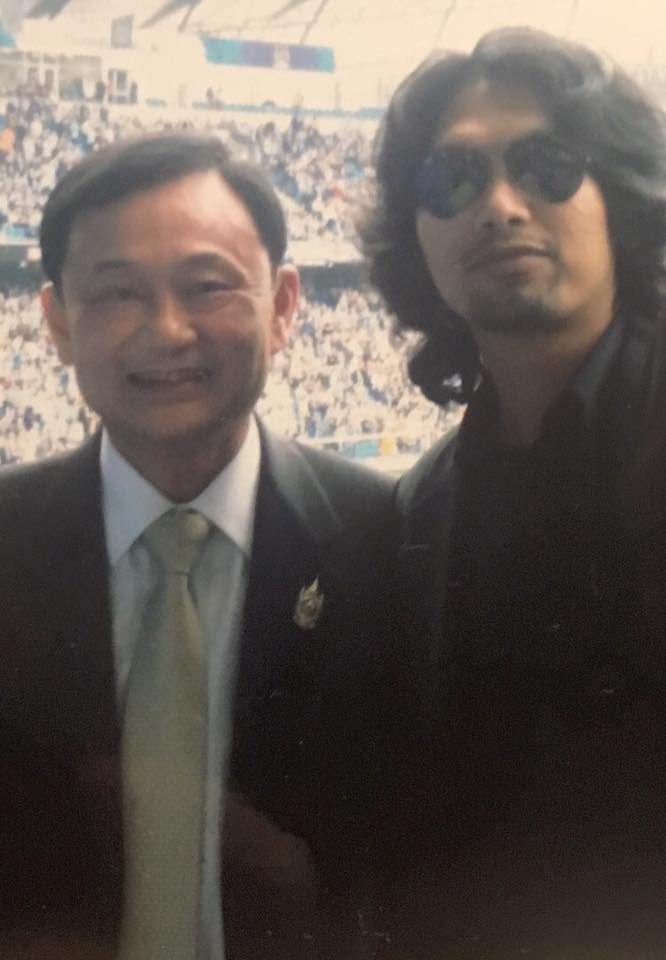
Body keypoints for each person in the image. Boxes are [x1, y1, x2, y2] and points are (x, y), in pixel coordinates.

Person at [0, 132, 398, 960]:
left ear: (283, 306)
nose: (167, 330)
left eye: (207, 286)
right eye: (117, 293)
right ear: (58, 322)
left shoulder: (389, 545)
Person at [361, 27, 666, 960]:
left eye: (544, 166)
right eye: (452, 179)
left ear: (620, 201)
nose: (497, 206)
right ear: (418, 236)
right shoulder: (421, 511)